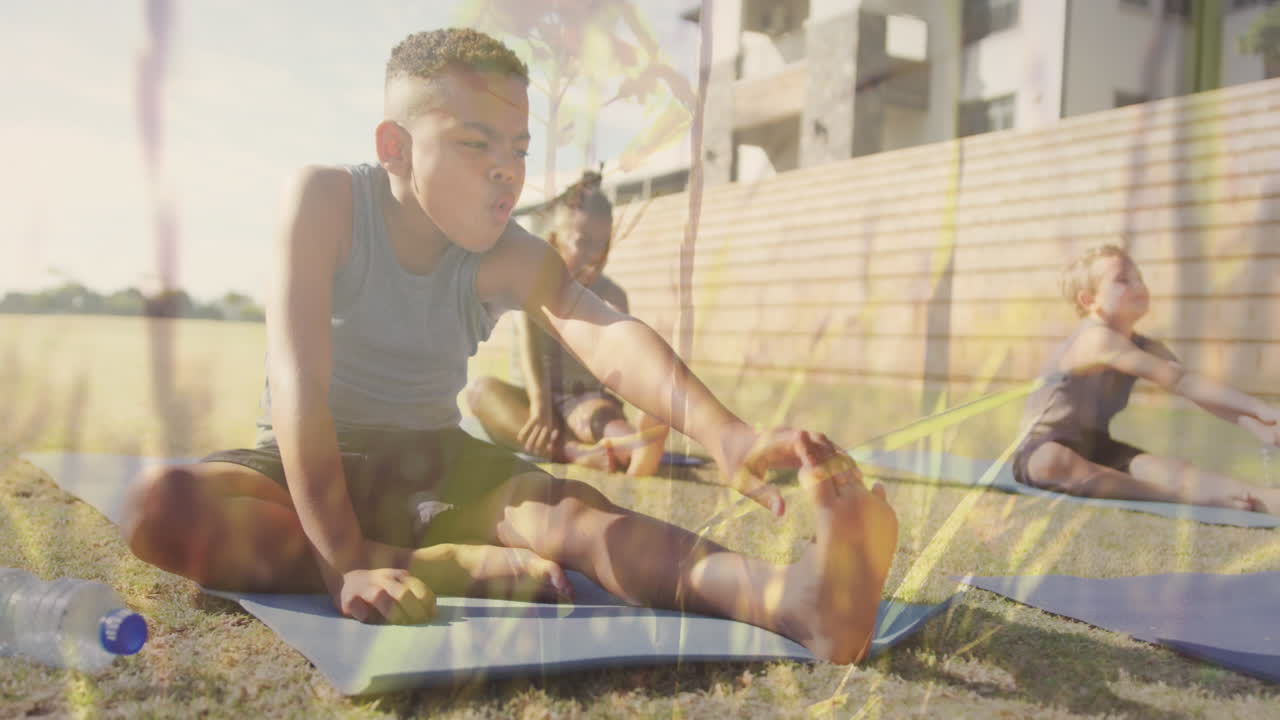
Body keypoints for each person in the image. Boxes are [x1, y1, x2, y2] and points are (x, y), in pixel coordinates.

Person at [117, 28, 898, 664]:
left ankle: (793, 601)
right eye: (474, 143)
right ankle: (440, 565)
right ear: (393, 145)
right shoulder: (324, 202)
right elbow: (298, 387)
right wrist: (345, 559)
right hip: (302, 461)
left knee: (575, 520)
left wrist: (723, 430)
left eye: (520, 147)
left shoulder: (507, 251)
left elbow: (606, 333)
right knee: (158, 507)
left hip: (432, 463)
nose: (507, 171)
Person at [1012, 244, 1280, 513]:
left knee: (1171, 471)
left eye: (1139, 277)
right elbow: (1182, 382)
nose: (1139, 285)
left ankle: (1262, 498)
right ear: (1089, 300)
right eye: (1122, 280)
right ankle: (1178, 498)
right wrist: (1261, 408)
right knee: (1052, 461)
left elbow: (1192, 388)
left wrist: (1257, 423)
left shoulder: (1146, 347)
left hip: (1097, 446)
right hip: (1043, 449)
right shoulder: (1096, 338)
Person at [466, 170, 670, 476]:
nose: (594, 257)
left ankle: (634, 446)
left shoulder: (610, 294)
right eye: (583, 243)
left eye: (603, 245)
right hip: (532, 404)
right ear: (553, 241)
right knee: (480, 391)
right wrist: (541, 404)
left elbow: (622, 358)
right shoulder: (534, 282)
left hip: (581, 398)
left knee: (600, 417)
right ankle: (578, 454)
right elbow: (528, 343)